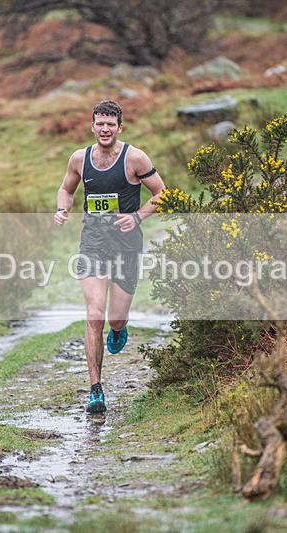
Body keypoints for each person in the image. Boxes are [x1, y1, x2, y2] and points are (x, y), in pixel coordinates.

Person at [53, 100, 166, 414]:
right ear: (92, 126)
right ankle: (95, 390)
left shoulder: (135, 158)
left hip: (127, 244)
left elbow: (162, 193)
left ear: (120, 128)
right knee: (94, 314)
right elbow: (66, 189)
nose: (104, 129)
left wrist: (138, 217)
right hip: (94, 242)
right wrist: (63, 208)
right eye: (99, 124)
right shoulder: (80, 158)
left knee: (115, 318)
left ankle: (120, 328)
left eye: (110, 124)